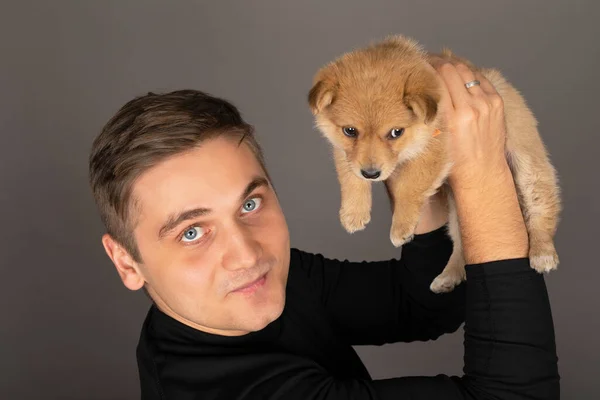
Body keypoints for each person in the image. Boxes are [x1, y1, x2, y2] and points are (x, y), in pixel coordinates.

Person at [88, 61, 559, 399]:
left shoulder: (265, 284)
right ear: (127, 263)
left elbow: (425, 305)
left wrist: (407, 152)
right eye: (192, 232)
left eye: (250, 204)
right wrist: (481, 173)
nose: (247, 254)